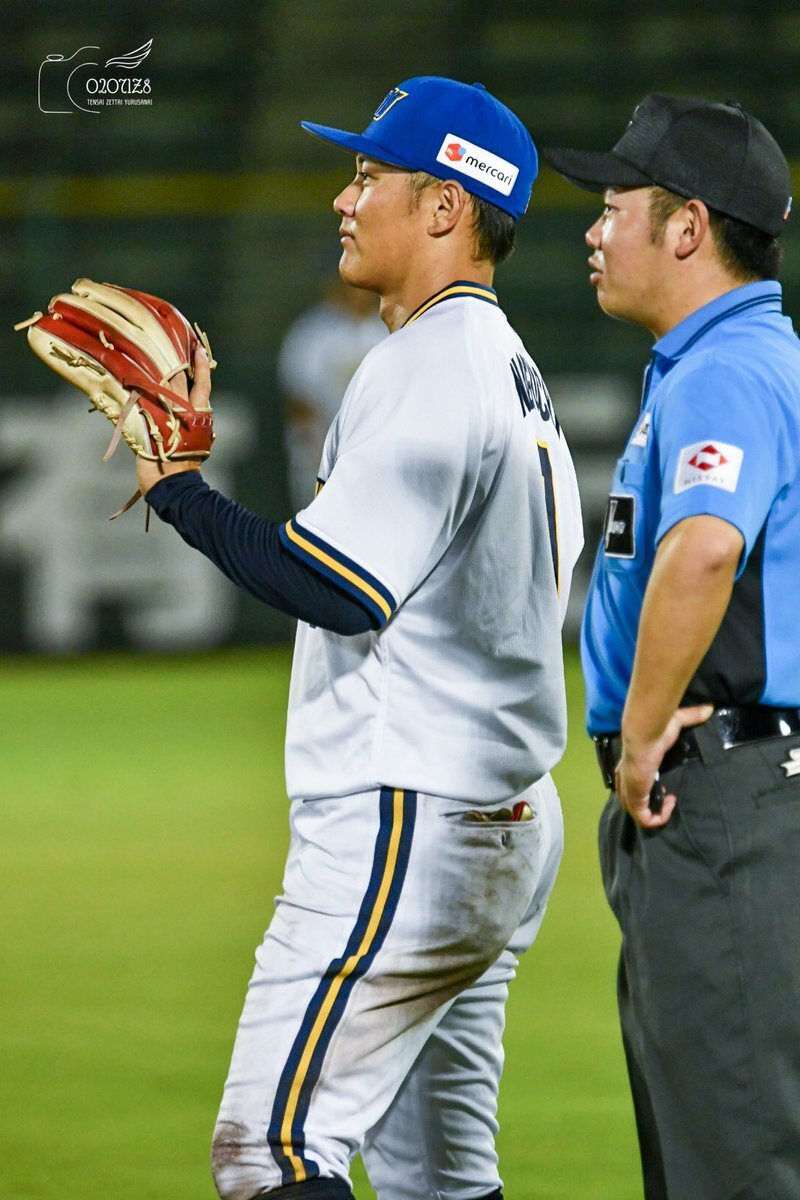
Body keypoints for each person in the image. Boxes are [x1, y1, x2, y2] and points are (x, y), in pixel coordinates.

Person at [134, 77, 582, 1200]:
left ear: (445, 207)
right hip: (497, 815)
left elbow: (335, 586)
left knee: (270, 1153)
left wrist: (179, 489)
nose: (344, 197)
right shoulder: (508, 367)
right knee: (441, 1181)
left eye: (372, 174)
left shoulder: (429, 364)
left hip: (410, 817)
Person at [544, 95, 800, 1199]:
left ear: (686, 226)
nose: (593, 230)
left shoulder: (726, 368)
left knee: (734, 1165)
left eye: (614, 206)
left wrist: (643, 736)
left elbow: (702, 552)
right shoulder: (732, 358)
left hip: (724, 798)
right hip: (739, 795)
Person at [278, 268, 385, 512]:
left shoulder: (388, 328)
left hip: (377, 451)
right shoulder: (311, 333)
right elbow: (300, 403)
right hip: (321, 453)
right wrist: (324, 453)